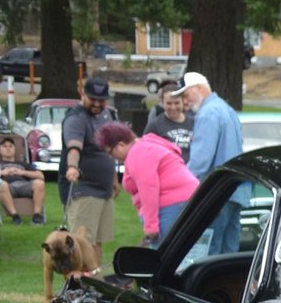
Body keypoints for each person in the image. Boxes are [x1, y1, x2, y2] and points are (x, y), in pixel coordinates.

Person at [176, 72, 246, 252]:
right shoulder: (226, 109)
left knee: (209, 250)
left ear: (199, 88)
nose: (185, 101)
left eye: (186, 94)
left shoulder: (207, 113)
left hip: (217, 192)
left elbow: (201, 160)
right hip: (237, 190)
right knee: (229, 251)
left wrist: (182, 186)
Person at [102, 121, 198, 247]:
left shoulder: (137, 154)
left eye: (110, 152)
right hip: (190, 199)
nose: (111, 157)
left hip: (170, 206)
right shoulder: (147, 144)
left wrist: (151, 226)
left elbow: (148, 188)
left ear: (120, 145)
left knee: (164, 256)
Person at [61, 76, 119, 244]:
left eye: (101, 100)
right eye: (92, 99)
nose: (97, 104)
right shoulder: (76, 119)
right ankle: (81, 272)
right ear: (83, 94)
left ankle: (96, 272)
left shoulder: (106, 115)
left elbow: (108, 150)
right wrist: (72, 167)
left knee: (98, 241)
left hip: (103, 189)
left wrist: (113, 178)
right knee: (82, 244)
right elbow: (74, 148)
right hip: (84, 190)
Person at [0, 134, 45, 224]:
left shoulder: (22, 164)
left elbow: (40, 175)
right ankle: (15, 216)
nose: (8, 148)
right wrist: (2, 173)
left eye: (10, 146)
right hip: (7, 187)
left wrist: (22, 172)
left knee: (39, 183)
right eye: (5, 146)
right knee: (2, 184)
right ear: (0, 150)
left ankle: (37, 215)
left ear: (14, 150)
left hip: (24, 185)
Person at [144, 85, 194, 160]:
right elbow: (144, 150)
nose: (173, 107)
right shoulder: (155, 125)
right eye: (169, 103)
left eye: (177, 103)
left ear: (183, 101)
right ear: (162, 103)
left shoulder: (194, 123)